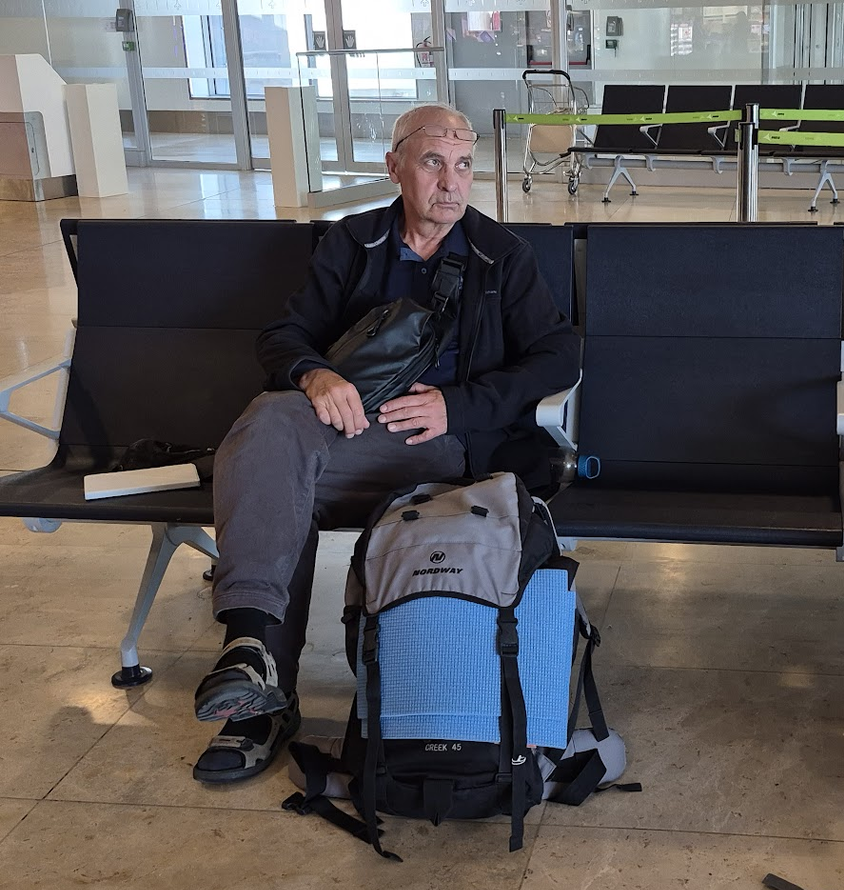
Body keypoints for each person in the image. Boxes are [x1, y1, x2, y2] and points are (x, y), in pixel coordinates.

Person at [190, 103, 580, 784]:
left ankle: (260, 690)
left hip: (441, 445)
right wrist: (314, 374)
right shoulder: (354, 244)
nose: (451, 183)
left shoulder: (500, 255)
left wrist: (458, 406)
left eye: (463, 165)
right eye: (433, 162)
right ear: (394, 166)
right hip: (344, 434)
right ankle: (252, 655)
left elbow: (557, 354)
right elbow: (285, 335)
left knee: (278, 473)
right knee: (276, 427)